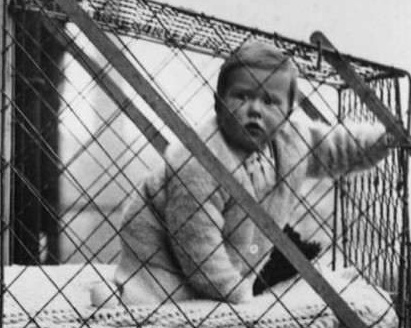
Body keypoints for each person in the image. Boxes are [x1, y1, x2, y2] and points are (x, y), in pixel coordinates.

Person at [107, 41, 396, 306]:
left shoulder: (291, 141)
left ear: (287, 113)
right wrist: (237, 296)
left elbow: (337, 148)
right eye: (242, 96)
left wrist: (382, 141)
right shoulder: (200, 162)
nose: (255, 110)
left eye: (270, 101)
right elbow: (198, 245)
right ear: (219, 103)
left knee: (250, 279)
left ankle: (227, 287)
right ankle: (125, 292)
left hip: (235, 258)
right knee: (156, 298)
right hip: (159, 258)